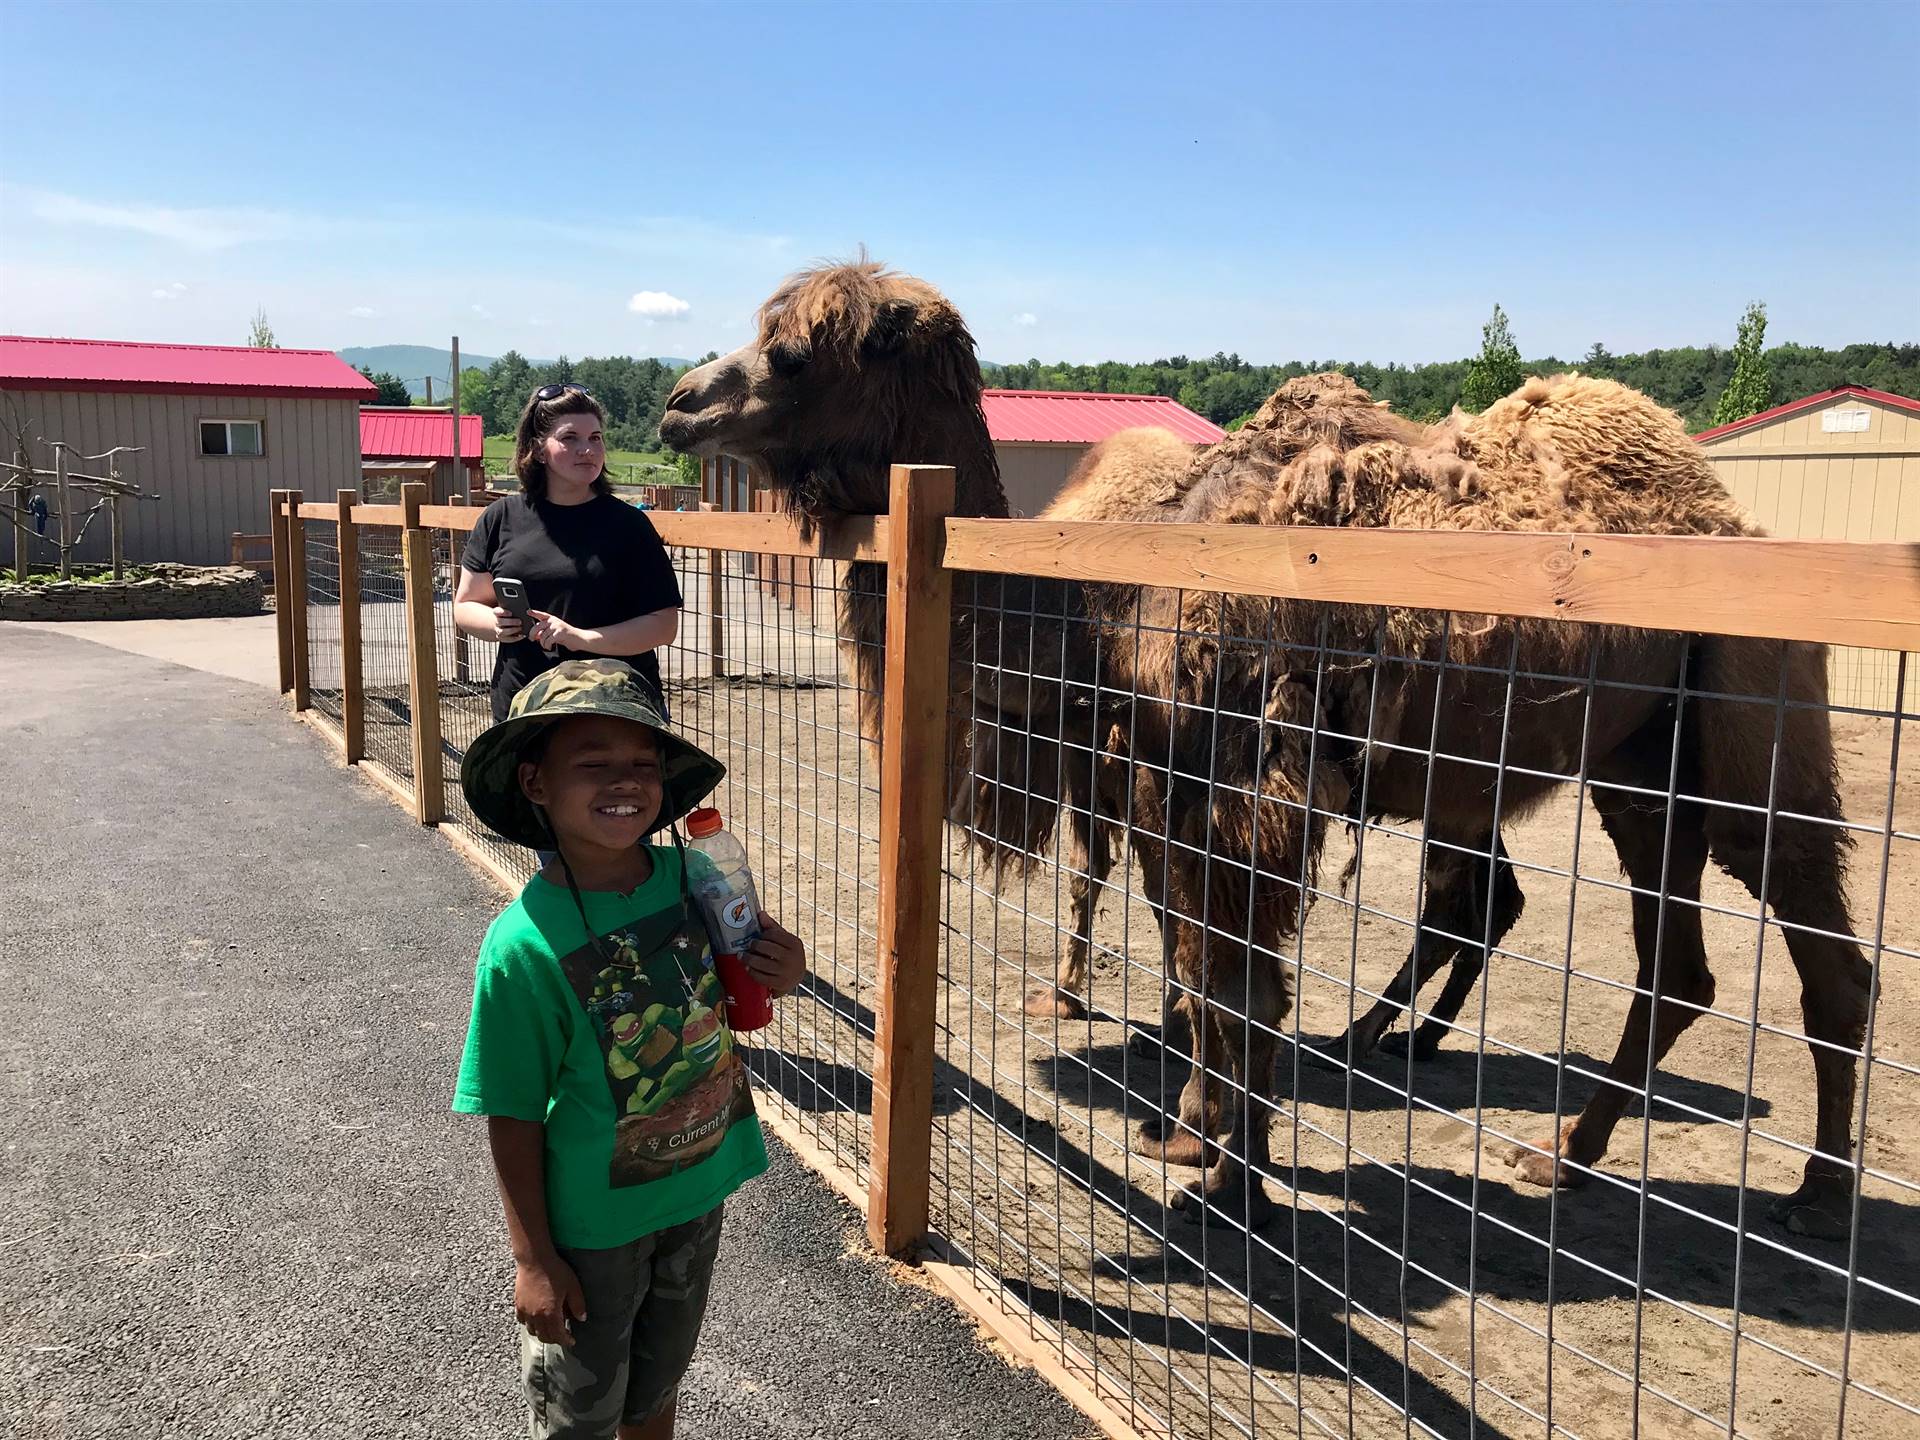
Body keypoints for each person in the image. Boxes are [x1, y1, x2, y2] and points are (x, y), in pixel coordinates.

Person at [454, 658, 807, 1440]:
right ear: (536, 784)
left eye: (643, 764)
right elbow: (509, 1112)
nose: (626, 781)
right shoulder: (522, 946)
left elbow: (748, 979)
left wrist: (786, 965)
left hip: (698, 1186)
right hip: (591, 1230)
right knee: (580, 1414)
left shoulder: (697, 877)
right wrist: (534, 1260)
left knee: (656, 1390)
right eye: (594, 763)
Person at [455, 384, 682, 725]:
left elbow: (664, 626)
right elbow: (465, 605)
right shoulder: (500, 518)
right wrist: (496, 624)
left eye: (595, 438)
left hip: (616, 707)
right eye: (570, 438)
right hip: (524, 707)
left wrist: (578, 637)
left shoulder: (630, 526)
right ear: (539, 449)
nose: (587, 449)